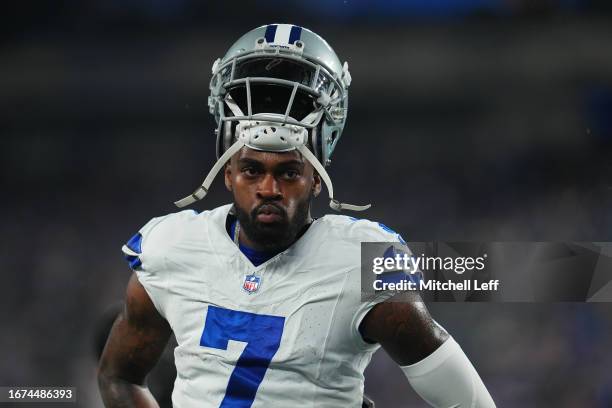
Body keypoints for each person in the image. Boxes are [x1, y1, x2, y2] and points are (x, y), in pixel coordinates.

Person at [98, 24, 495, 408]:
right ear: (228, 173)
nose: (269, 189)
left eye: (288, 172)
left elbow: (469, 401)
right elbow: (119, 377)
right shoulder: (173, 249)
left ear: (317, 179)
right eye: (253, 170)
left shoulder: (363, 263)